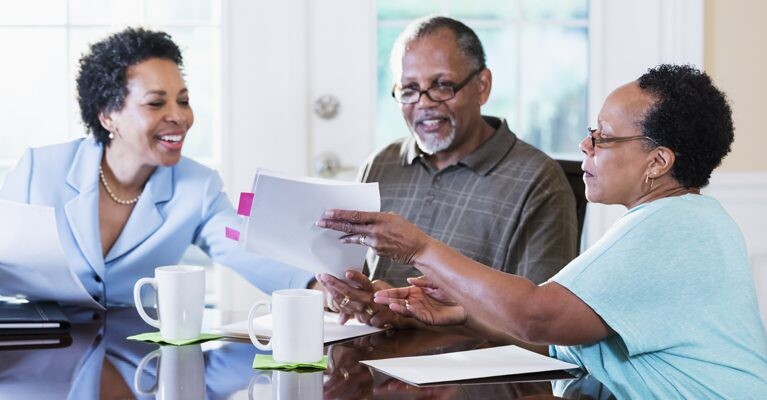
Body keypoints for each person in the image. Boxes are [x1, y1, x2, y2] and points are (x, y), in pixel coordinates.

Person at [317, 64, 767, 397]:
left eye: (604, 138)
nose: (585, 145)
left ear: (658, 161)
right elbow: (563, 336)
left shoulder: (674, 227)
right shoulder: (682, 220)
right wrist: (466, 314)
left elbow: (537, 315)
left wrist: (418, 248)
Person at [0, 28, 315, 307]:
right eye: (156, 103)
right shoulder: (38, 170)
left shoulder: (198, 186)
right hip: (41, 348)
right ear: (108, 116)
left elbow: (243, 247)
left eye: (183, 100)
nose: (179, 117)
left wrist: (318, 287)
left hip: (136, 354)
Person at [316, 15, 578, 328]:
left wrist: (442, 318)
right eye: (409, 89)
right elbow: (367, 289)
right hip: (377, 361)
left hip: (478, 371)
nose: (424, 104)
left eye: (441, 86)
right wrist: (355, 297)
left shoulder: (538, 180)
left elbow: (547, 325)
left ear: (482, 87)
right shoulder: (381, 164)